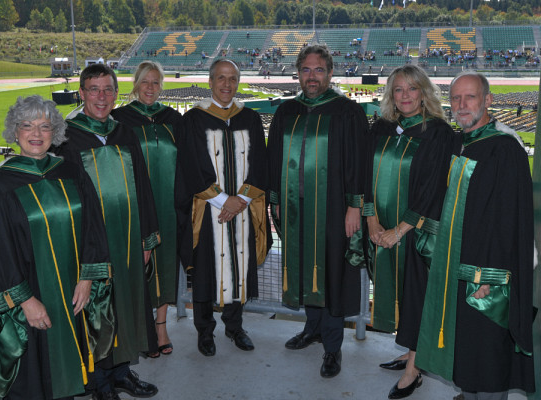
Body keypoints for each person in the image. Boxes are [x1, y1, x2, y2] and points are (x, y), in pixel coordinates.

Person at [0, 95, 115, 400]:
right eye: (27, 125)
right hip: (29, 296)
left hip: (73, 289)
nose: (36, 133)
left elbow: (93, 228)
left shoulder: (71, 172)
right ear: (14, 132)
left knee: (68, 364)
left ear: (56, 132)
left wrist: (88, 278)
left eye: (45, 126)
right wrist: (25, 301)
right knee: (34, 373)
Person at [416, 71, 535, 399]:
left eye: (470, 97)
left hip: (486, 275)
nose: (462, 104)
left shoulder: (505, 149)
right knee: (465, 353)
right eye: (455, 98)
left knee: (489, 356)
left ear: (488, 100)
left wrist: (491, 278)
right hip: (456, 267)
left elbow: (509, 221)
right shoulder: (459, 142)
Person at [53, 64, 159, 400]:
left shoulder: (124, 132)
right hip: (89, 243)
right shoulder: (66, 138)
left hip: (127, 238)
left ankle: (121, 372)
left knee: (125, 305)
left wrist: (146, 238)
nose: (101, 97)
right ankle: (99, 383)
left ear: (116, 93)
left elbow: (142, 185)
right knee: (97, 312)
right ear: (81, 93)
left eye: (108, 89)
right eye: (94, 89)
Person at [267, 45, 367, 378]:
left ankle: (333, 346)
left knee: (332, 272)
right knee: (304, 265)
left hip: (334, 208)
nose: (312, 77)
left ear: (331, 73)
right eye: (306, 70)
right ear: (297, 73)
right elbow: (275, 158)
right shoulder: (287, 112)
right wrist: (276, 199)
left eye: (319, 70)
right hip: (296, 208)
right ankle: (312, 328)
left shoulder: (347, 112)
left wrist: (355, 205)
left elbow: (357, 163)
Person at [363, 65, 457, 399]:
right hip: (382, 230)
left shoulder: (438, 133)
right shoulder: (384, 127)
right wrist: (372, 220)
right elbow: (364, 174)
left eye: (412, 89)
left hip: (415, 232)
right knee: (398, 291)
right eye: (398, 89)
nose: (405, 96)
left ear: (424, 93)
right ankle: (409, 351)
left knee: (416, 294)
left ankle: (414, 370)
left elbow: (432, 190)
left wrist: (399, 231)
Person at [177, 58, 268, 357]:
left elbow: (259, 163)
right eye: (221, 78)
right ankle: (205, 331)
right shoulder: (194, 119)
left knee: (238, 267)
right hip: (208, 210)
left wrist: (241, 199)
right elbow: (192, 164)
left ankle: (234, 326)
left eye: (232, 79)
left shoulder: (250, 118)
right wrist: (221, 199)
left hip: (242, 209)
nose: (227, 84)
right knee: (206, 269)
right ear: (210, 81)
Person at [111, 61, 183, 357]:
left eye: (156, 82)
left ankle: (161, 326)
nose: (150, 87)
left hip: (167, 206)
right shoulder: (118, 119)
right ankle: (137, 328)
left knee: (165, 264)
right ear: (135, 85)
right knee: (135, 266)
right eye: (145, 82)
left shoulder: (173, 119)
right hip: (133, 207)